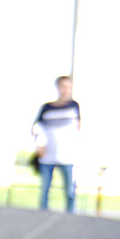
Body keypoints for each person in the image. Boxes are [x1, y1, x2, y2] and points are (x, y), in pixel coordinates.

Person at [32, 76, 81, 212]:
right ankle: (42, 215)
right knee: (44, 190)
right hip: (48, 157)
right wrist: (39, 146)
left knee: (69, 191)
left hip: (67, 157)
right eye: (63, 87)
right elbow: (36, 128)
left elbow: (79, 127)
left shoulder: (74, 107)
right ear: (58, 88)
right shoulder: (47, 108)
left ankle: (71, 219)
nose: (66, 90)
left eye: (68, 87)